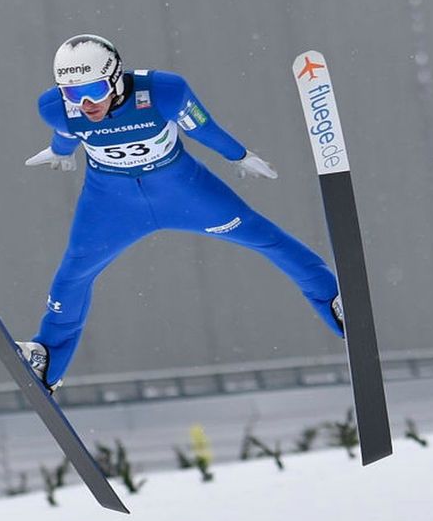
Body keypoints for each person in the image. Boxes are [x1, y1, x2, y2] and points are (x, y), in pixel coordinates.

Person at [18, 34, 343, 392]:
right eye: (71, 93)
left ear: (114, 77)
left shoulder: (164, 91)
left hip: (183, 192)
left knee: (267, 239)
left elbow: (203, 127)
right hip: (111, 204)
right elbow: (66, 131)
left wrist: (239, 155)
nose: (85, 104)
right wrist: (59, 151)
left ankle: (334, 303)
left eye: (93, 89)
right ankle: (47, 359)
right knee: (72, 275)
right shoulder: (56, 107)